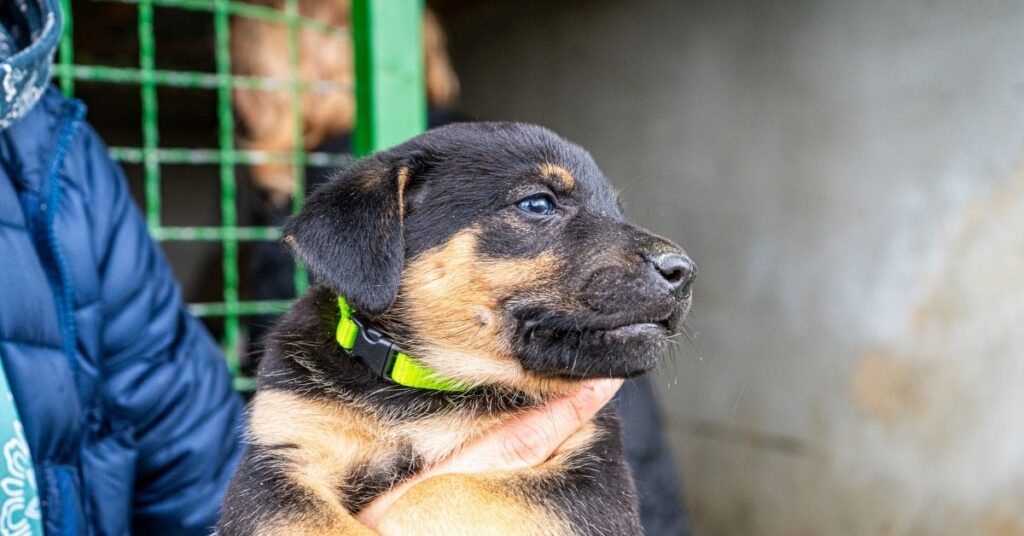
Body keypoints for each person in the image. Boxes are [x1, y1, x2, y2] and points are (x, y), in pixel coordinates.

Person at [233, 2, 691, 534]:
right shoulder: (307, 374)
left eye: (608, 215)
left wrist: (431, 505)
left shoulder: (569, 384)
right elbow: (268, 502)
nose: (667, 260)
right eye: (538, 205)